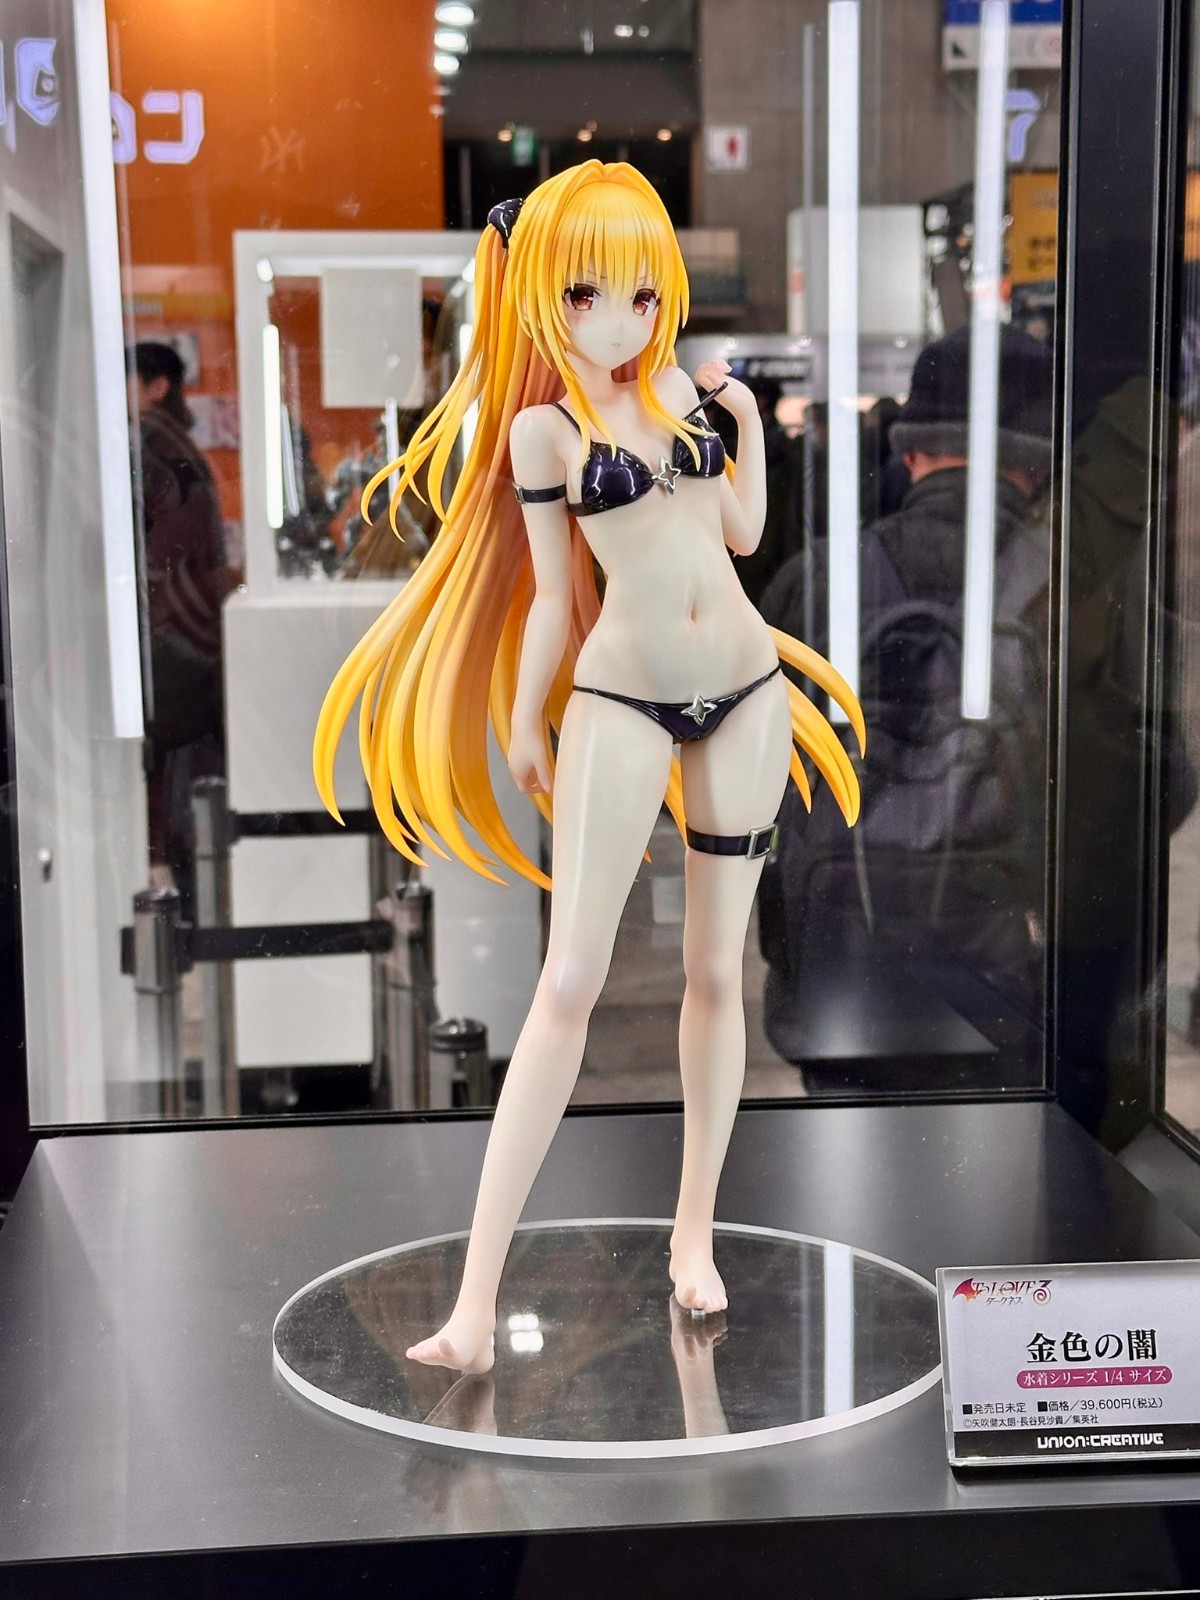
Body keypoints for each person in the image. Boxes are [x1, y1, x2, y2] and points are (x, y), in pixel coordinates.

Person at [313, 161, 864, 1374]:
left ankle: (693, 1234)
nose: (618, 319)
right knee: (569, 980)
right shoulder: (543, 430)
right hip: (620, 697)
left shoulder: (677, 391)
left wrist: (747, 429)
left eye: (640, 292)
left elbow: (741, 535)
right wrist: (524, 718)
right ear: (540, 295)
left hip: (747, 692)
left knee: (717, 972)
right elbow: (553, 596)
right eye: (585, 294)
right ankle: (474, 1303)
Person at [758, 324, 1053, 1086]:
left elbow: (741, 776)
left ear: (911, 453)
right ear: (1036, 464)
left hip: (836, 985)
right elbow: (1151, 781)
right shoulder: (1065, 589)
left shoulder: (819, 580)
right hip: (1003, 987)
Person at [129, 341, 239, 921]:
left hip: (169, 637)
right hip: (195, 635)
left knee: (163, 771)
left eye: (130, 379)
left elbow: (159, 550)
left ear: (157, 386)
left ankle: (173, 899)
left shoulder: (150, 442)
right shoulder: (177, 442)